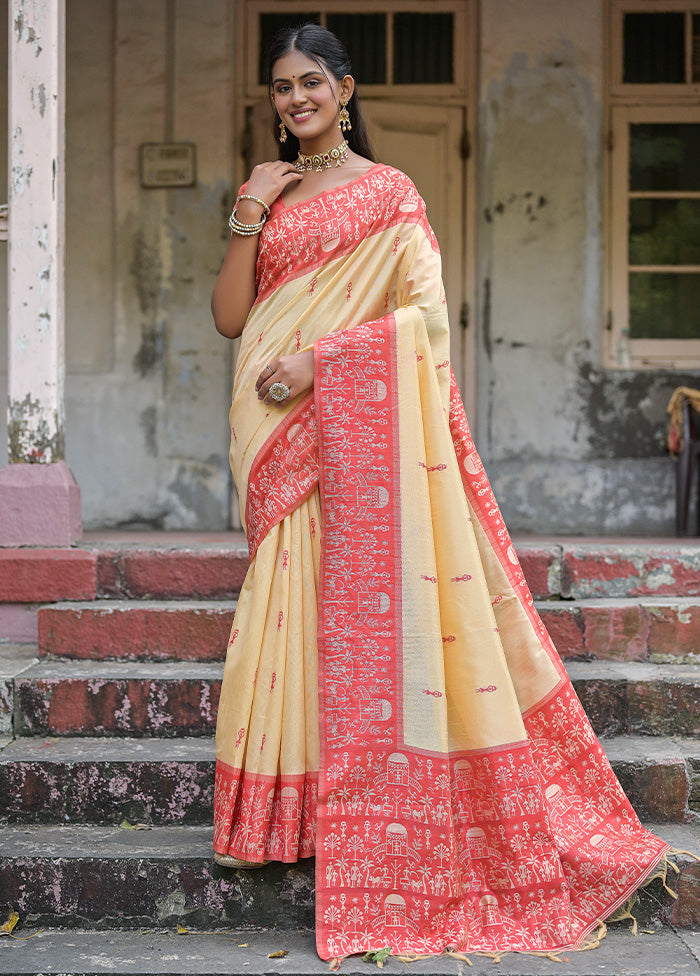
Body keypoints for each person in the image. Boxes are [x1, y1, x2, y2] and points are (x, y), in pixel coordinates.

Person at [211, 22, 669, 961]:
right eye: (280, 88)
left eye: (309, 84)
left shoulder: (390, 194)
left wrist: (319, 363)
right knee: (284, 608)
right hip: (268, 426)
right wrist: (249, 209)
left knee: (346, 615)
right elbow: (229, 317)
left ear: (344, 89)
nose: (294, 100)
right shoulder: (270, 191)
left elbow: (422, 318)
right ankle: (281, 820)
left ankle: (348, 811)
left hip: (335, 411)